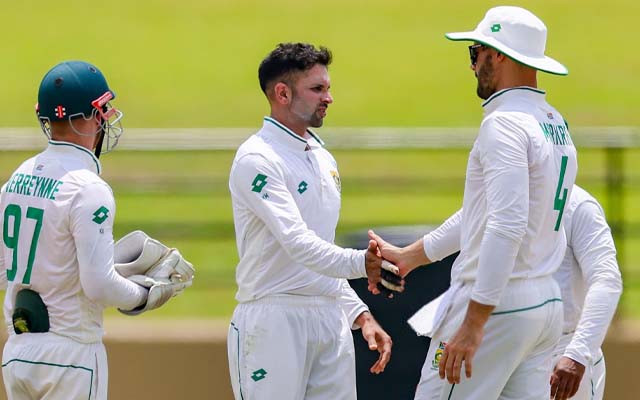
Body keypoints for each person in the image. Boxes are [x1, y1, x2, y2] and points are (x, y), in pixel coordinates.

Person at [369, 6, 578, 399]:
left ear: (498, 55)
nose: (473, 65)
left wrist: (474, 321)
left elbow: (506, 223)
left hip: (498, 304)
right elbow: (483, 213)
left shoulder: (503, 123)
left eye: (475, 52)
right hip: (545, 304)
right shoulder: (554, 122)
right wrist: (413, 255)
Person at [0, 61, 191, 400]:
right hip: (71, 355)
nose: (107, 117)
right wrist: (143, 294)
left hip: (17, 355)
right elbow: (99, 285)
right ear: (85, 117)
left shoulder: (18, 176)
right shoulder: (88, 187)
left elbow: (5, 271)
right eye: (102, 110)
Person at [227, 42, 399, 400]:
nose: (329, 98)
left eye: (328, 87)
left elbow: (321, 249)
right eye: (318, 89)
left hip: (328, 318)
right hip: (273, 319)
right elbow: (297, 242)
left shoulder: (323, 158)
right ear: (282, 93)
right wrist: (360, 261)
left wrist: (359, 313)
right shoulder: (257, 159)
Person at [550, 185, 622, 400]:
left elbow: (606, 279)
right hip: (506, 346)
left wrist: (577, 354)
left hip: (561, 352)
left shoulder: (579, 206)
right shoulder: (501, 193)